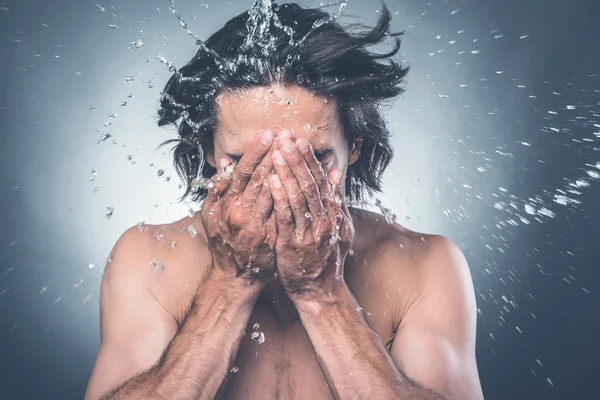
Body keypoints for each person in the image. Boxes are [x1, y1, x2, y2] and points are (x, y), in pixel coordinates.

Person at [85, 2, 483, 399]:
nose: (279, 186)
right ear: (208, 151)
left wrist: (322, 294)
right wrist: (229, 285)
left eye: (313, 159)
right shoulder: (147, 260)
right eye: (245, 162)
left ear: (354, 148)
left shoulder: (426, 266)